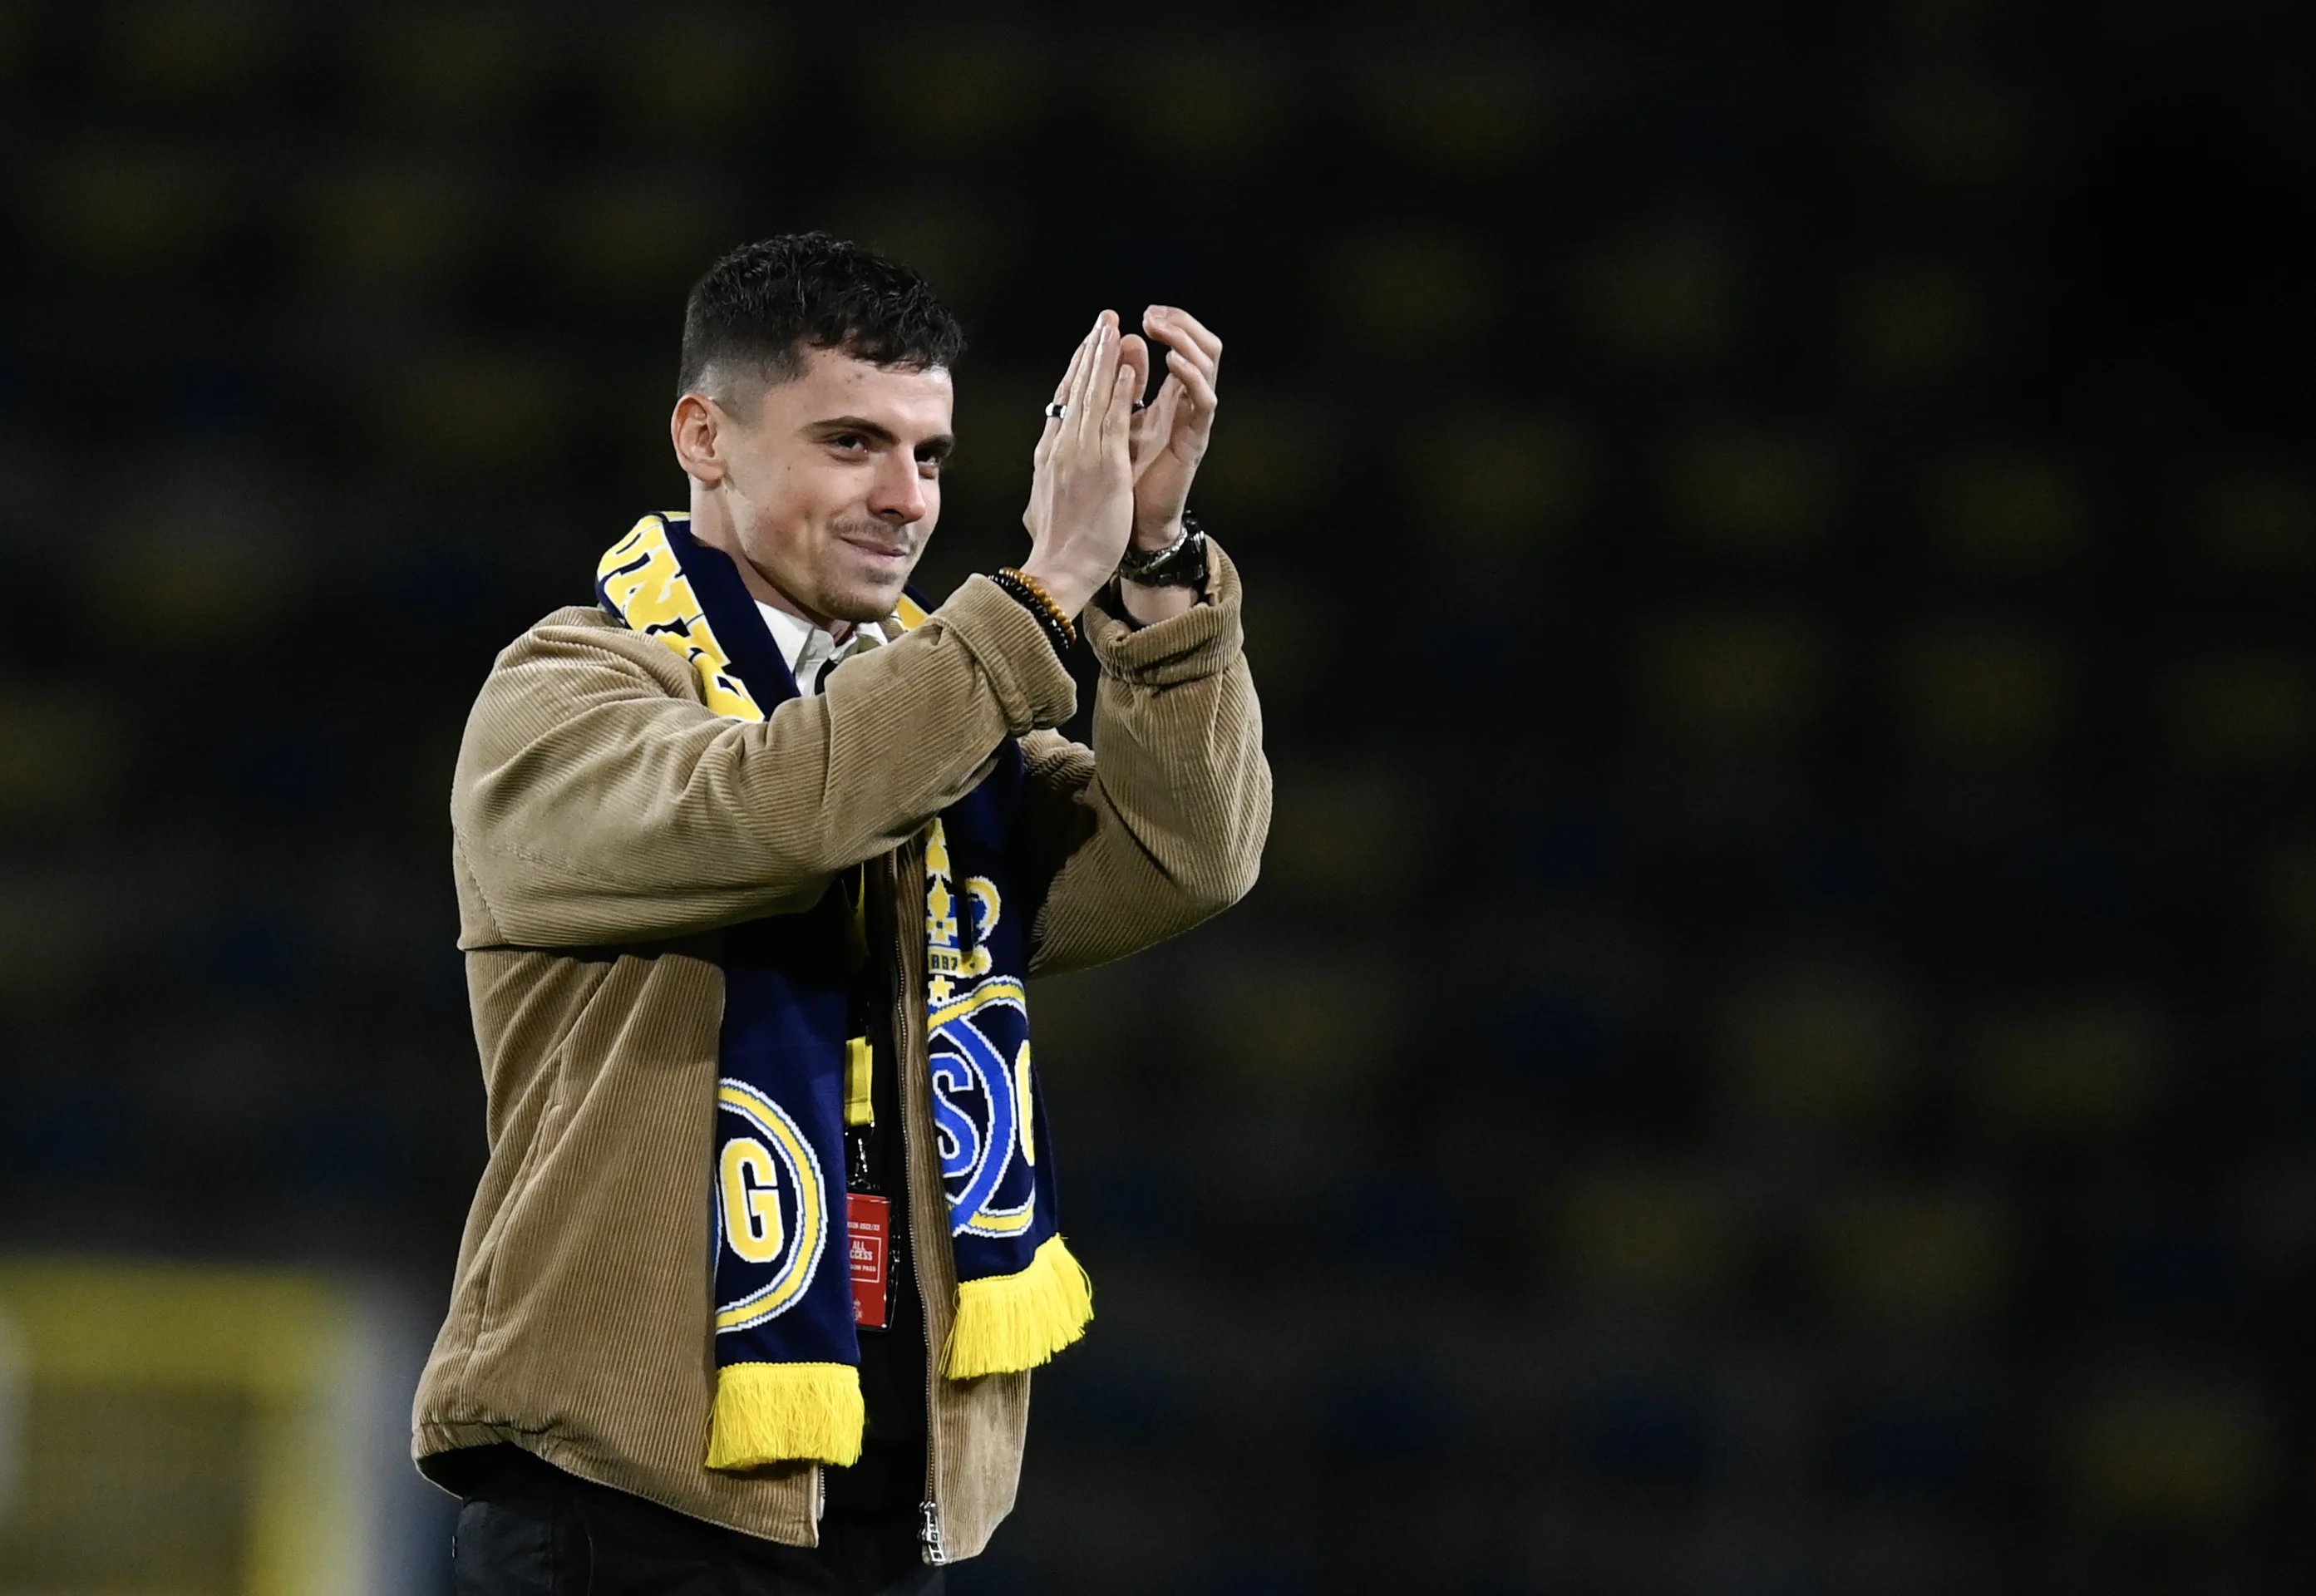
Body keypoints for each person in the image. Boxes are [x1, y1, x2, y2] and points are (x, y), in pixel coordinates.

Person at [411, 231, 1269, 1594]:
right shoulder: (563, 697)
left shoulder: (946, 743)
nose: (905, 499)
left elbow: (1185, 857)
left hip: (884, 1496)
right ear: (705, 436)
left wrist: (1155, 565)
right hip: (624, 1509)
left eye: (928, 456)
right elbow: (777, 811)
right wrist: (1040, 593)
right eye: (851, 444)